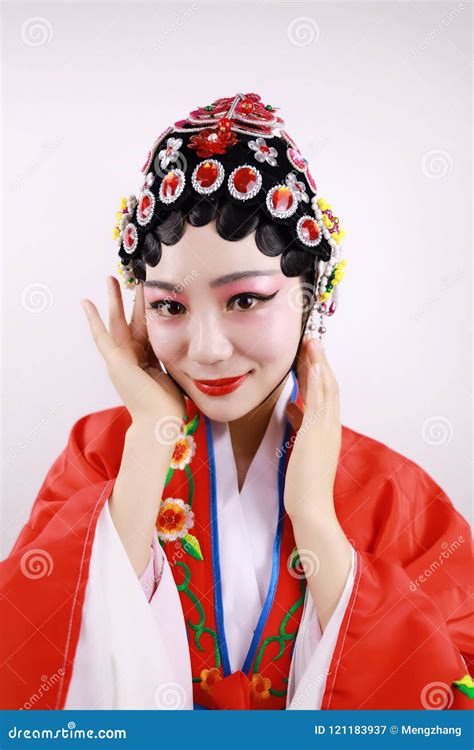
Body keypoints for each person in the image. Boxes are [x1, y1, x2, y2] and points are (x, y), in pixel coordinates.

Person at [1, 92, 472, 711]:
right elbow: (26, 668)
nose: (208, 349)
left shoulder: (393, 494)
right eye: (170, 305)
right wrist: (152, 439)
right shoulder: (99, 456)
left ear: (311, 297)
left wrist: (315, 517)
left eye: (245, 299)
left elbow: (453, 699)